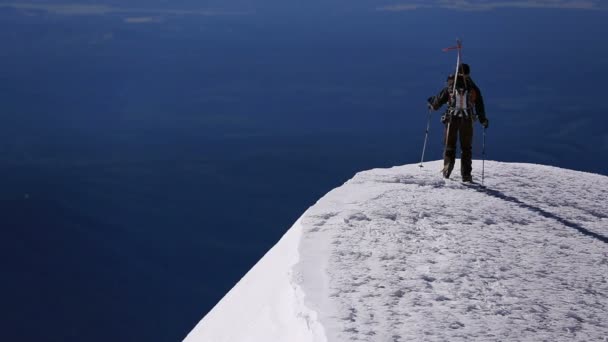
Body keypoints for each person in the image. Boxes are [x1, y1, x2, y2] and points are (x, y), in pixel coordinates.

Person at [427, 63, 489, 182]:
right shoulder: (473, 88)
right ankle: (466, 175)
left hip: (451, 120)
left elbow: (437, 103)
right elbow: (480, 105)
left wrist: (431, 103)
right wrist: (483, 120)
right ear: (468, 73)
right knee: (466, 148)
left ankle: (447, 169)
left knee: (450, 145)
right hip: (467, 120)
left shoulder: (450, 86)